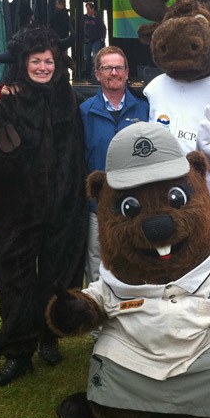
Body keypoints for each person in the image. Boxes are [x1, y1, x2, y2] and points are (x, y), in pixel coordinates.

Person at [0, 24, 88, 386]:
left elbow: (79, 154)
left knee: (59, 277)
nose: (43, 67)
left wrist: (74, 199)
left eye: (48, 60)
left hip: (63, 209)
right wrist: (7, 150)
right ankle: (17, 351)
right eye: (35, 61)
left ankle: (49, 336)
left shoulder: (69, 100)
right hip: (19, 213)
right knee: (15, 281)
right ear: (23, 64)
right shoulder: (8, 101)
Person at [79, 46, 149, 285]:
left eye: (119, 67)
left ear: (127, 72)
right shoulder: (84, 112)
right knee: (98, 266)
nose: (114, 72)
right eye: (107, 68)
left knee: (136, 262)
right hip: (99, 208)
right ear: (97, 74)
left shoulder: (144, 109)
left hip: (137, 205)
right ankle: (99, 321)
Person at [82, 2, 106, 80]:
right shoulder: (84, 17)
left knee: (95, 57)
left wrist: (102, 38)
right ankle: (88, 75)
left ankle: (94, 75)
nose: (87, 11)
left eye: (88, 9)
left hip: (96, 40)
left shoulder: (98, 17)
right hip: (87, 40)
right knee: (87, 58)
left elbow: (103, 28)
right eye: (86, 9)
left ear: (92, 9)